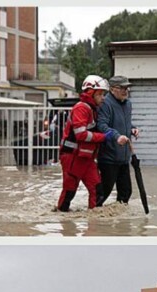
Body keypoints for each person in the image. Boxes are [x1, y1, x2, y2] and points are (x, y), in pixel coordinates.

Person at [56, 75, 130, 212]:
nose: (103, 97)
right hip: (73, 157)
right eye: (101, 94)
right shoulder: (81, 108)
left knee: (98, 191)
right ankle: (64, 222)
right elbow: (81, 134)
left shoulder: (93, 108)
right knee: (69, 191)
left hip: (86, 158)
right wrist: (103, 137)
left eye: (104, 94)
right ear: (91, 93)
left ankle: (94, 224)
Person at [96, 75, 141, 206]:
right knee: (103, 193)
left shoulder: (128, 104)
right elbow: (102, 126)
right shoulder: (106, 104)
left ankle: (120, 223)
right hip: (109, 158)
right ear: (111, 89)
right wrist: (117, 136)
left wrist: (133, 129)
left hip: (124, 157)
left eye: (127, 88)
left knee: (126, 192)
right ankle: (93, 219)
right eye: (121, 88)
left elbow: (125, 123)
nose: (125, 91)